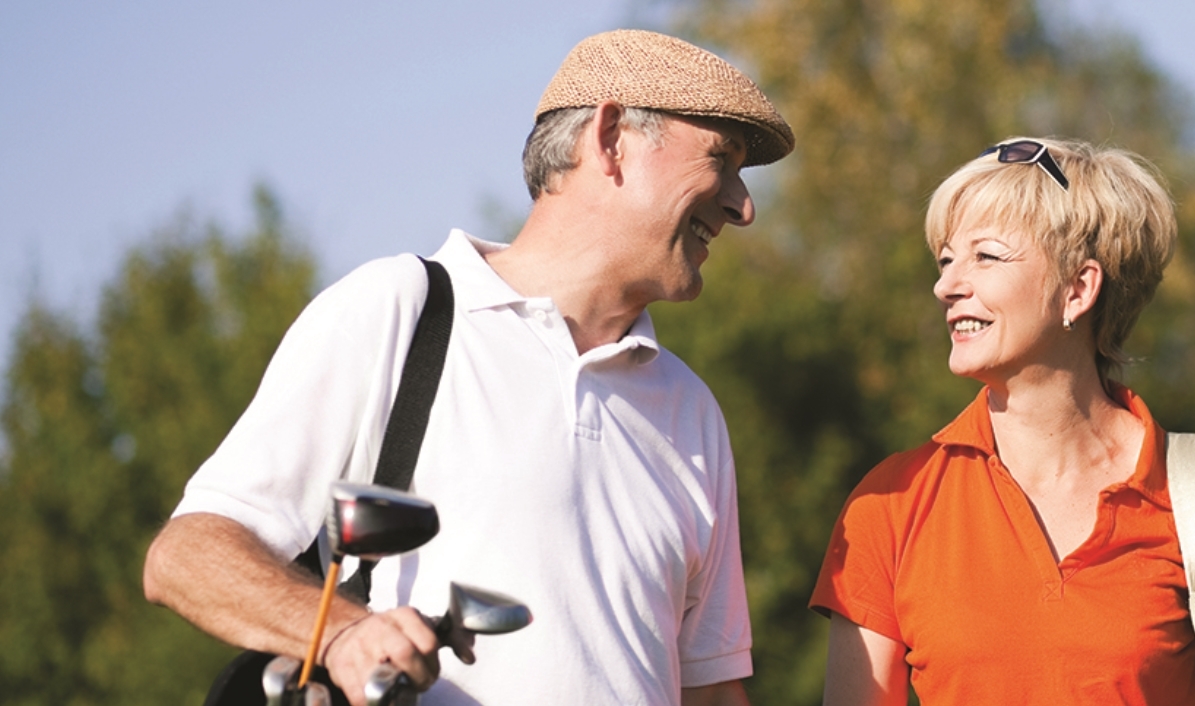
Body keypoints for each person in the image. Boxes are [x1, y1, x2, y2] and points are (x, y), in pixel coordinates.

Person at [142, 29, 793, 705]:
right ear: (610, 139)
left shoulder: (691, 411)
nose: (743, 207)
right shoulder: (402, 309)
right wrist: (338, 632)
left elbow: (711, 691)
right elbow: (186, 558)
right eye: (722, 161)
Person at [810, 137, 1195, 705]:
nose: (946, 285)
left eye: (985, 256)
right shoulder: (891, 502)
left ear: (1077, 289)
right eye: (946, 260)